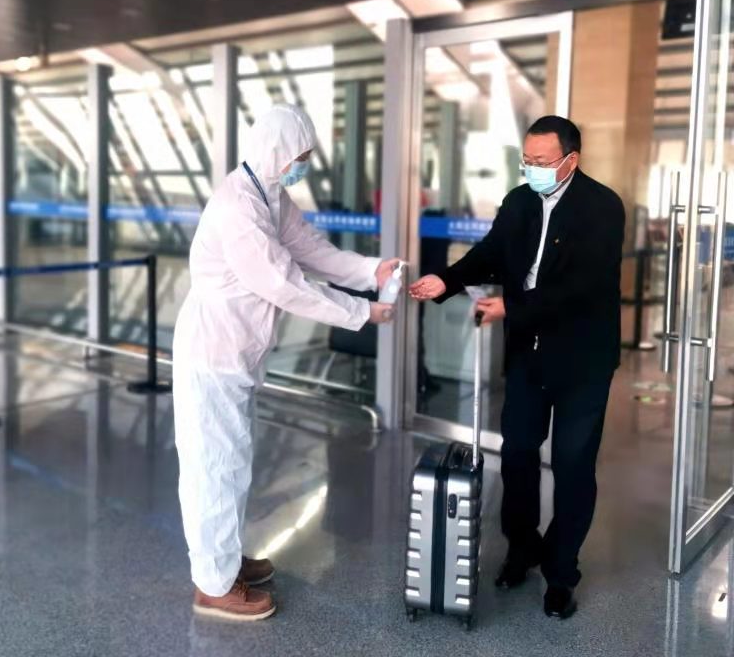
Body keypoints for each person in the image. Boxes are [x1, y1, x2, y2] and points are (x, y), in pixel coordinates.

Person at [172, 104, 398, 622]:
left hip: (237, 353)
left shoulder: (269, 195)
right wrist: (361, 312)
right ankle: (213, 585)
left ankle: (225, 559)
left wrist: (372, 272)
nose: (304, 165)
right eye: (301, 155)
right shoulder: (239, 208)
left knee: (234, 462)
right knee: (213, 468)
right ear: (279, 151)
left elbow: (310, 250)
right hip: (213, 354)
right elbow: (284, 283)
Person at [410, 115, 624, 620]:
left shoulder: (602, 207)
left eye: (541, 161)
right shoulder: (519, 201)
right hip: (529, 352)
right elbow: (492, 252)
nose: (532, 169)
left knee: (572, 465)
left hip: (582, 360)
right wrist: (448, 280)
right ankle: (522, 549)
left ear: (571, 160)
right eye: (526, 160)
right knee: (519, 454)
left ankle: (561, 573)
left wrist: (512, 306)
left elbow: (584, 287)